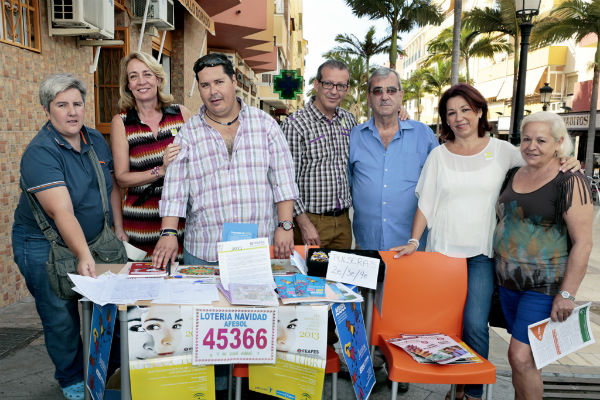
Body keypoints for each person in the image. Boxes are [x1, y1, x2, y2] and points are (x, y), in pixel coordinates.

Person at [391, 84, 580, 400]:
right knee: (446, 324)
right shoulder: (438, 155)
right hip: (442, 255)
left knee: (476, 324)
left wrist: (569, 160)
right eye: (451, 113)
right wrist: (414, 240)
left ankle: (474, 392)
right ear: (446, 120)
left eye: (465, 109)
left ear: (479, 111)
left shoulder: (504, 150)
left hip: (482, 253)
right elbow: (426, 202)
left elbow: (541, 157)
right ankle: (457, 385)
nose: (459, 117)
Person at [12, 73, 124, 400]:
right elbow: (61, 212)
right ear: (47, 110)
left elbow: (111, 186)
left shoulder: (95, 140)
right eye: (62, 105)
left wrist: (116, 228)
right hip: (43, 247)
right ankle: (72, 379)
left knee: (111, 313)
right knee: (61, 317)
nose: (72, 111)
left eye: (77, 103)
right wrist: (83, 255)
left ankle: (103, 370)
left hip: (92, 240)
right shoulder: (40, 153)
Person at [152, 53, 298, 268]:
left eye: (219, 82)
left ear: (234, 82)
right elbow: (175, 189)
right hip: (205, 250)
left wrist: (285, 225)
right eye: (205, 85)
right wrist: (168, 232)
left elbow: (283, 180)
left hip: (258, 248)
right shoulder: (188, 133)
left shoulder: (265, 125)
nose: (213, 91)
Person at [494, 112, 592, 399]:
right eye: (526, 139)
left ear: (559, 143)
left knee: (521, 357)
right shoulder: (514, 173)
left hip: (544, 287)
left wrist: (567, 294)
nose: (531, 146)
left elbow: (583, 243)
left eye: (541, 140)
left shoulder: (570, 180)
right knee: (524, 359)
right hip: (507, 284)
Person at [111, 51, 192, 261]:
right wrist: (161, 171)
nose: (141, 82)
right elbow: (121, 177)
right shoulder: (121, 122)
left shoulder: (181, 114)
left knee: (179, 283)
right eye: (133, 76)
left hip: (180, 219)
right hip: (140, 221)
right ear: (127, 85)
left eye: (146, 74)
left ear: (158, 78)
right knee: (143, 286)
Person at [348, 67, 438, 251]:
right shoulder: (354, 136)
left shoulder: (423, 134)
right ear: (369, 97)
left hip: (413, 245)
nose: (384, 96)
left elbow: (439, 183)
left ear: (401, 95)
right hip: (367, 244)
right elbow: (349, 182)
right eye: (377, 91)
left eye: (391, 90)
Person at [281, 60, 357, 248]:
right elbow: (286, 181)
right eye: (328, 84)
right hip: (311, 223)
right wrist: (304, 224)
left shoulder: (349, 121)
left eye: (341, 86)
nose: (334, 91)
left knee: (342, 277)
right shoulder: (295, 125)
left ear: (347, 89)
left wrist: (400, 114)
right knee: (309, 277)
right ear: (317, 85)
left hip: (343, 223)